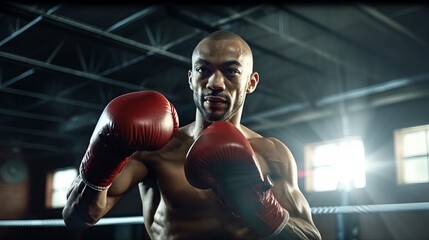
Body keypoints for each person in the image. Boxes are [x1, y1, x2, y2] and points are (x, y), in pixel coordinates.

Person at [62, 30, 322, 240]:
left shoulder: (272, 154)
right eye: (203, 70)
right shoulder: (158, 149)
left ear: (251, 82)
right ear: (190, 78)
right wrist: (103, 153)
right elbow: (77, 218)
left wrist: (265, 210)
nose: (215, 83)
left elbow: (310, 237)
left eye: (231, 71)